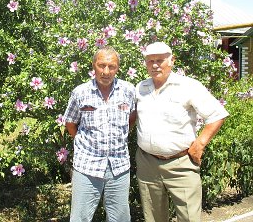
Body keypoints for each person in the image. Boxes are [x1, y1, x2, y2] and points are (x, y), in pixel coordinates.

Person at [135, 41, 229, 222]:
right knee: (153, 218)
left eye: (160, 60)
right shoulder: (140, 88)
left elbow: (217, 114)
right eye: (150, 60)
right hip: (147, 164)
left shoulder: (188, 86)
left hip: (181, 164)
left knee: (189, 218)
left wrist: (200, 144)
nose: (155, 65)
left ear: (172, 61)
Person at [64, 46, 136, 222]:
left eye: (111, 66)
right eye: (101, 65)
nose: (106, 71)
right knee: (80, 218)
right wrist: (86, 144)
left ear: (118, 68)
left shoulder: (128, 90)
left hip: (119, 166)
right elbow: (71, 123)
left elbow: (131, 119)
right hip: (87, 166)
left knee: (120, 218)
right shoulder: (80, 92)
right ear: (93, 65)